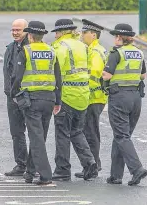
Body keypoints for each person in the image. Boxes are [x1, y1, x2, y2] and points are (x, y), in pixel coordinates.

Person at [10, 21, 62, 185]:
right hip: (49, 98)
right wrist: (58, 100)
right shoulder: (52, 51)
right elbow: (58, 77)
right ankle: (30, 172)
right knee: (39, 136)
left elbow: (17, 76)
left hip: (32, 99)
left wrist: (13, 94)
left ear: (30, 36)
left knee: (36, 137)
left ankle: (45, 174)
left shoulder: (26, 50)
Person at [51, 19, 98, 181]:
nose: (55, 35)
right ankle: (89, 162)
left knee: (62, 133)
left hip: (66, 96)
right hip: (83, 95)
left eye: (56, 32)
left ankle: (62, 170)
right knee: (76, 131)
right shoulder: (82, 46)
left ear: (62, 32)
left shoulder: (60, 47)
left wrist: (54, 97)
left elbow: (56, 73)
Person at [102, 23, 147, 186]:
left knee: (121, 136)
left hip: (119, 97)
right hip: (135, 98)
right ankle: (116, 175)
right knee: (122, 136)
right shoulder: (139, 52)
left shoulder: (116, 53)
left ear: (120, 38)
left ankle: (137, 169)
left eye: (116, 36)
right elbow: (143, 76)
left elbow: (107, 75)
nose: (114, 39)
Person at [74, 19, 108, 178]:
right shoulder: (94, 49)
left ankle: (93, 167)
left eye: (84, 33)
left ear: (93, 35)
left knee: (90, 132)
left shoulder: (95, 52)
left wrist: (82, 85)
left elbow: (94, 73)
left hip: (93, 98)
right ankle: (95, 164)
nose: (81, 35)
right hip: (96, 97)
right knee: (90, 131)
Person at [3, 19, 30, 176]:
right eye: (13, 29)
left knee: (34, 132)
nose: (15, 32)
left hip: (27, 96)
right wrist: (9, 92)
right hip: (12, 96)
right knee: (16, 132)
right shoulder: (10, 48)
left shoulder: (30, 48)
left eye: (18, 30)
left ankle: (33, 166)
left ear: (26, 30)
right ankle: (21, 164)